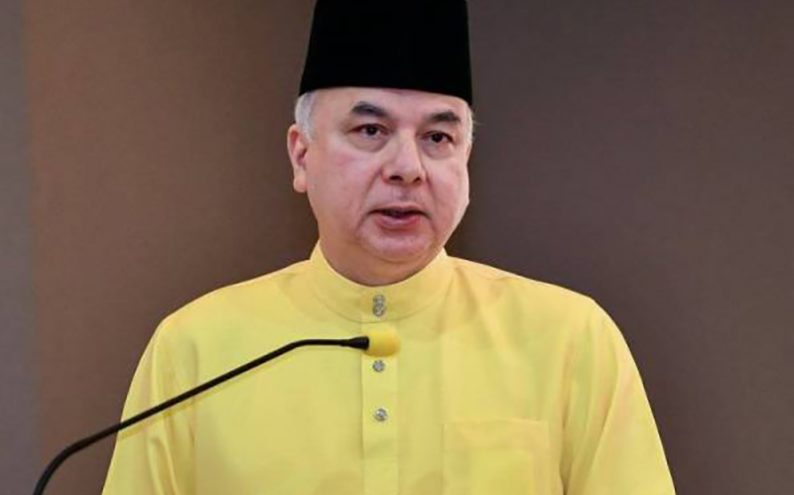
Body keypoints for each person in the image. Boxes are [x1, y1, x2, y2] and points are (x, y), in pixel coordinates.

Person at [103, 1, 676, 494]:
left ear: (466, 160)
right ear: (302, 156)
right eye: (371, 131)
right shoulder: (195, 350)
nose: (408, 167)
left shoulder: (570, 338)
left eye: (437, 137)